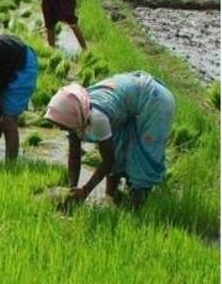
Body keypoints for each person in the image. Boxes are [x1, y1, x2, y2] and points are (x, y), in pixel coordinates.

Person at [44, 71, 176, 209]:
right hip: (133, 100)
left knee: (144, 157)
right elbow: (74, 154)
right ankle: (111, 199)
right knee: (118, 146)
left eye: (62, 126)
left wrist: (85, 191)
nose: (60, 129)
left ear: (72, 116)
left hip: (155, 101)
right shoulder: (78, 110)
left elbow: (108, 160)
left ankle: (137, 209)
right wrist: (71, 189)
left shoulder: (97, 117)